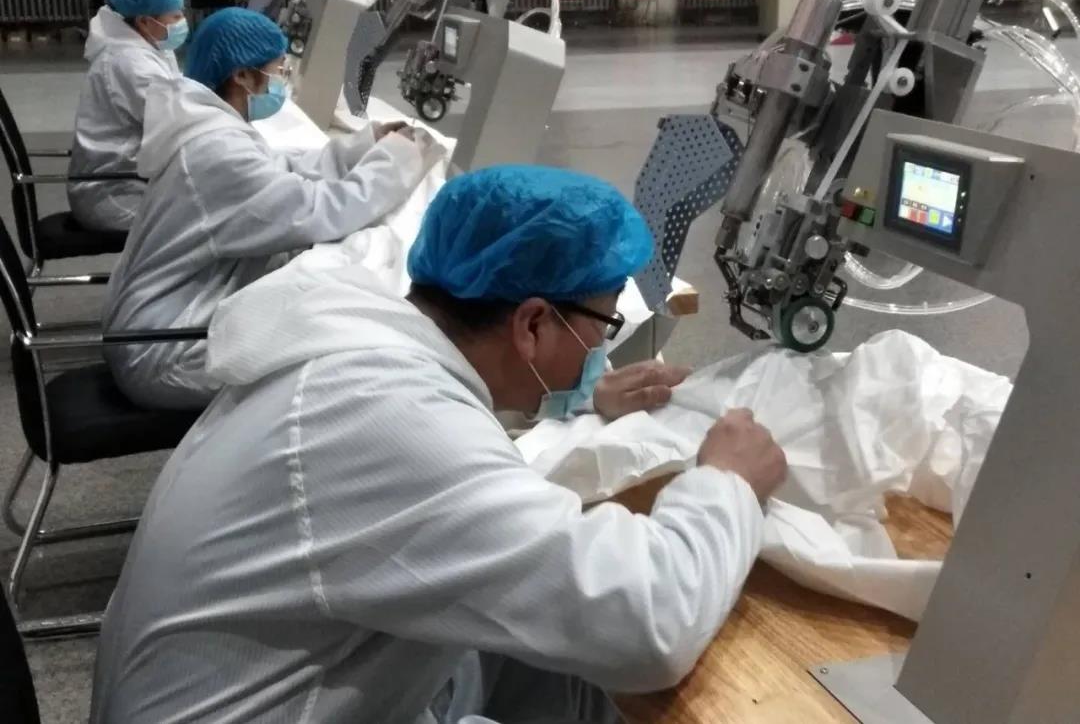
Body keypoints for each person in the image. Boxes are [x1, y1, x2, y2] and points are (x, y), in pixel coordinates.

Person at [90, 164, 788, 724]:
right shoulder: (388, 419)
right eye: (601, 329)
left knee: (537, 666)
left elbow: (440, 452)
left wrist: (578, 396)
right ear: (533, 324)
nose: (602, 349)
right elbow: (646, 623)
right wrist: (727, 483)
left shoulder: (356, 350)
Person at [101, 7, 424, 410]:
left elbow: (282, 169)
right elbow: (320, 211)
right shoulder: (218, 151)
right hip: (164, 351)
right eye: (278, 71)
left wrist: (367, 144)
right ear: (242, 76)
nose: (282, 81)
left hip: (152, 325)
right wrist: (398, 160)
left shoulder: (208, 128)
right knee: (336, 356)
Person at [67, 0, 188, 232]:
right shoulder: (129, 62)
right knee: (212, 220)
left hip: (130, 179)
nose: (182, 22)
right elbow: (179, 125)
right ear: (144, 21)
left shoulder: (145, 45)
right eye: (175, 16)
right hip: (115, 195)